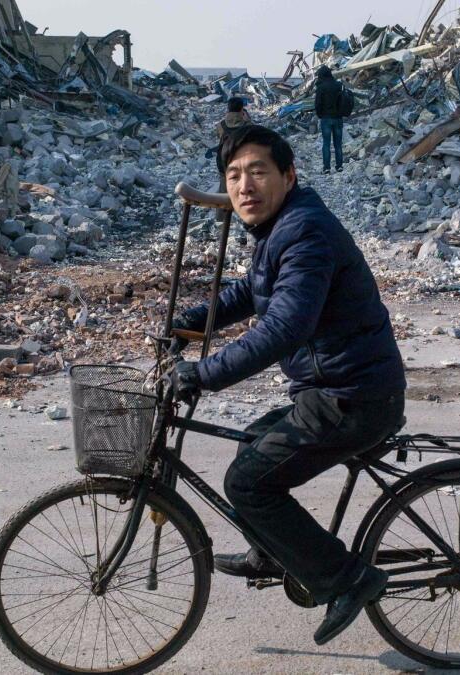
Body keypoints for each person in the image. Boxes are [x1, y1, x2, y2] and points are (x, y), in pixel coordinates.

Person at [170, 125, 406, 645]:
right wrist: (191, 321)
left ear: (288, 175)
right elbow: (251, 292)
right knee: (253, 445)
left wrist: (205, 374)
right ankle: (274, 550)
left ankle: (349, 579)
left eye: (257, 171)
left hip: (354, 397)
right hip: (334, 389)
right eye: (233, 175)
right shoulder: (280, 229)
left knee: (249, 484)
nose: (244, 185)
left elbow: (285, 326)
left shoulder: (305, 232)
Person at [213, 98, 252, 230]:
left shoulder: (221, 125)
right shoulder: (247, 126)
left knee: (223, 191)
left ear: (228, 109)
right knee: (245, 191)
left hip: (224, 163)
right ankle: (247, 219)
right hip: (242, 163)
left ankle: (220, 222)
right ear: (242, 109)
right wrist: (247, 119)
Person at [313, 65, 344, 174]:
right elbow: (342, 101)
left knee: (326, 144)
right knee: (338, 144)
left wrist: (320, 115)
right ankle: (339, 166)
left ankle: (327, 168)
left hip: (326, 118)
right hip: (338, 118)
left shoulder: (321, 87)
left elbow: (317, 104)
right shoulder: (339, 85)